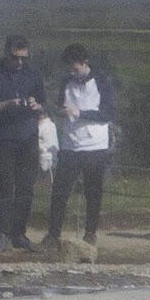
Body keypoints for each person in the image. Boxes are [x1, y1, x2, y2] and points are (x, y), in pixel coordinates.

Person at [0, 35, 48, 251]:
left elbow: (44, 104)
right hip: (3, 138)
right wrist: (5, 105)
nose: (20, 63)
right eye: (16, 58)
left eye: (24, 58)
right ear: (6, 54)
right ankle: (2, 235)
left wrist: (37, 105)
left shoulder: (33, 74)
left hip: (28, 138)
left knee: (26, 188)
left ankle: (20, 234)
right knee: (5, 187)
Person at [44, 45, 118, 251]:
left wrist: (80, 112)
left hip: (95, 145)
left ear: (85, 63)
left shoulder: (102, 82)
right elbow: (60, 106)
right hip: (70, 145)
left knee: (93, 192)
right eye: (69, 69)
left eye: (75, 68)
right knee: (60, 191)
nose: (72, 73)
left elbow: (108, 114)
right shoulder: (66, 82)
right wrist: (61, 112)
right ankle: (53, 234)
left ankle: (90, 233)